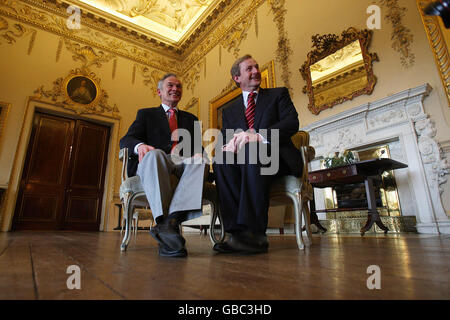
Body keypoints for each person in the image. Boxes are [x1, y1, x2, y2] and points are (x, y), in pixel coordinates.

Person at [212, 54, 303, 254]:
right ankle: (235, 232)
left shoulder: (278, 95)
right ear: (237, 78)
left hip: (277, 159)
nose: (255, 71)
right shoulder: (229, 111)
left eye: (256, 67)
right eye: (249, 69)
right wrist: (229, 146)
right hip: (245, 162)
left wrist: (258, 136)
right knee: (221, 160)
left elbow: (291, 123)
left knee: (252, 149)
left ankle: (255, 234)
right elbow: (227, 139)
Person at [120, 73, 206, 258]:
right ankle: (163, 221)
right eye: (170, 85)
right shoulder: (146, 114)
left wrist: (199, 153)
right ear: (159, 91)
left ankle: (169, 224)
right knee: (156, 154)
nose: (175, 89)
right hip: (155, 161)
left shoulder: (191, 119)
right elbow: (126, 139)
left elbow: (199, 147)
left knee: (200, 160)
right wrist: (140, 146)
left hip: (181, 163)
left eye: (179, 86)